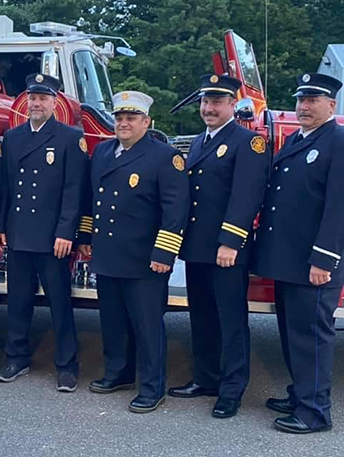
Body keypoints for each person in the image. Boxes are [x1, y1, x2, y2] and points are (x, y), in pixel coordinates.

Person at [77, 91, 189, 413]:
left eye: (131, 118)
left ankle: (153, 387)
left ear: (146, 122)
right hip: (108, 254)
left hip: (144, 260)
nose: (124, 123)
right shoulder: (102, 152)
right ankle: (119, 373)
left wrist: (164, 255)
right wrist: (86, 235)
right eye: (119, 117)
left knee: (147, 325)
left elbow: (175, 210)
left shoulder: (165, 156)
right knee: (112, 321)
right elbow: (90, 199)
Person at [168, 74, 269, 419]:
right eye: (205, 102)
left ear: (232, 105)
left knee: (231, 321)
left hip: (226, 250)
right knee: (203, 317)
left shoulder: (248, 142)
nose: (208, 109)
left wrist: (230, 242)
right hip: (198, 247)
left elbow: (246, 196)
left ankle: (231, 390)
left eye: (216, 102)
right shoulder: (199, 142)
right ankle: (206, 378)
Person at [252, 72, 344, 434]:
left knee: (312, 338)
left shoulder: (337, 141)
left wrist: (324, 259)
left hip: (313, 263)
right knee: (292, 334)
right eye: (300, 100)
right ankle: (300, 394)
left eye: (313, 100)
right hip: (290, 260)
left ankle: (315, 412)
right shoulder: (298, 138)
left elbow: (338, 208)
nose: (304, 107)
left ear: (332, 105)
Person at [0, 73, 88, 392]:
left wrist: (67, 232)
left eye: (43, 98)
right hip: (19, 234)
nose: (36, 103)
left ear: (54, 102)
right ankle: (16, 358)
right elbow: (4, 188)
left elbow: (74, 191)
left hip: (52, 239)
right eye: (32, 98)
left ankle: (67, 365)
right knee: (18, 301)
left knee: (59, 303)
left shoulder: (69, 137)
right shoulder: (13, 137)